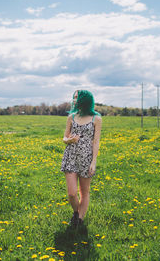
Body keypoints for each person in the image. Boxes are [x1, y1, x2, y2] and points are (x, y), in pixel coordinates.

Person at [61, 90, 102, 227]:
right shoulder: (71, 117)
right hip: (71, 156)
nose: (74, 100)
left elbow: (95, 142)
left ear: (85, 100)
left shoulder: (96, 119)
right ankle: (76, 212)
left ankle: (79, 220)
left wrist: (94, 162)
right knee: (72, 193)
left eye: (77, 97)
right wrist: (69, 140)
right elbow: (64, 138)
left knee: (84, 192)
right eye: (73, 97)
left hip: (87, 158)